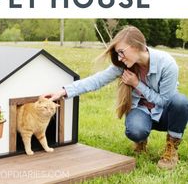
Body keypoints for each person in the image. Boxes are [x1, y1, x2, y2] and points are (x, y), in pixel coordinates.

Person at [44, 25, 188, 170]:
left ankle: (171, 149)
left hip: (164, 114)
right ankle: (141, 139)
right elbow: (97, 80)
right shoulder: (123, 65)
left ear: (136, 46)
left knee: (180, 102)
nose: (119, 58)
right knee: (136, 131)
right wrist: (64, 91)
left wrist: (137, 84)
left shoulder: (167, 64)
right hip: (142, 111)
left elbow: (165, 101)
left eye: (121, 52)